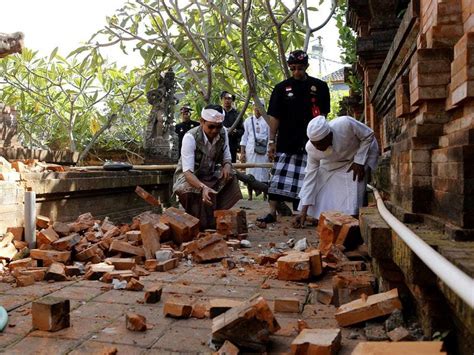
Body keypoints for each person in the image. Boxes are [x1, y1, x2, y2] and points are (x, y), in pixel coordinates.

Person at [258, 49, 331, 224]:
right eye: (293, 68)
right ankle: (272, 212)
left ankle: (303, 213)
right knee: (277, 178)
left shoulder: (320, 87)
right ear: (290, 67)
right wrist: (271, 141)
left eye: (300, 68)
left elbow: (324, 116)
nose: (297, 72)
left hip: (311, 142)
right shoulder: (281, 88)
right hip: (286, 141)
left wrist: (321, 139)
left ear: (306, 66)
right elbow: (274, 117)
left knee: (308, 178)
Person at [293, 115, 379, 227]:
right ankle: (321, 216)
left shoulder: (345, 123)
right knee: (320, 180)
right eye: (315, 144)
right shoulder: (311, 148)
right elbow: (310, 176)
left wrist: (359, 161)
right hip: (336, 163)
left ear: (330, 135)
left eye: (321, 143)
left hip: (361, 154)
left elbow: (368, 135)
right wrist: (303, 211)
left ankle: (352, 217)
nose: (318, 147)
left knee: (355, 177)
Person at [172, 104, 242, 230]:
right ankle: (197, 222)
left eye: (218, 127)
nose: (215, 131)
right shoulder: (190, 137)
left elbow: (227, 156)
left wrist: (227, 165)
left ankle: (217, 217)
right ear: (201, 121)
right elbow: (187, 172)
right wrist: (203, 187)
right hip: (190, 176)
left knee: (231, 177)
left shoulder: (223, 132)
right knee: (186, 190)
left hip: (210, 173)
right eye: (211, 126)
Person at [240, 100, 270, 200]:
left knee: (264, 172)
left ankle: (265, 196)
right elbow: (244, 137)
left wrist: (271, 151)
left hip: (264, 151)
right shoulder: (248, 121)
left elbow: (271, 137)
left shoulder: (267, 120)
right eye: (256, 106)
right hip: (251, 151)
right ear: (253, 107)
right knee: (251, 172)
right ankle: (250, 196)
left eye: (260, 106)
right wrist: (242, 152)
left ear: (263, 107)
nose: (257, 108)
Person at [220, 91, 244, 163]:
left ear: (232, 100)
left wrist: (236, 132)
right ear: (222, 99)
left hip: (232, 145)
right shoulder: (219, 112)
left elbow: (242, 130)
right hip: (220, 144)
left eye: (229, 98)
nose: (227, 100)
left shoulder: (237, 114)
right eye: (225, 98)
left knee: (231, 166)